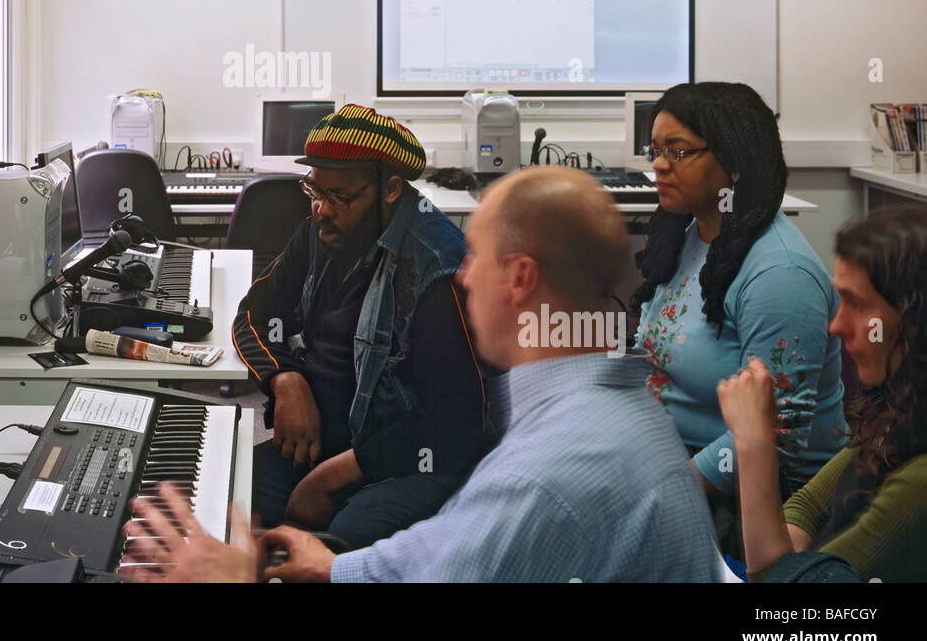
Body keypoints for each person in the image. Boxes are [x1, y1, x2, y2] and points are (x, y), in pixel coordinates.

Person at [125, 167, 724, 582]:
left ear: (518, 279)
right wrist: (337, 569)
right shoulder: (611, 402)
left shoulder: (548, 475)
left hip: (404, 457)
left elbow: (465, 513)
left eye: (477, 258)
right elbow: (450, 546)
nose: (462, 276)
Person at [229, 103, 491, 548]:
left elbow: (457, 423)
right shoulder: (322, 228)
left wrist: (335, 474)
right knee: (218, 493)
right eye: (313, 191)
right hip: (329, 434)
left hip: (410, 457)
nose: (321, 210)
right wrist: (286, 379)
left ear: (390, 189)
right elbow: (255, 313)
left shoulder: (437, 269)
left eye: (339, 197)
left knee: (336, 556)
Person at [630, 82, 846, 539]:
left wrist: (658, 490)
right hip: (676, 459)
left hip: (761, 497)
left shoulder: (780, 276)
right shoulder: (692, 236)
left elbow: (777, 438)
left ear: (736, 162)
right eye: (655, 150)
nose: (658, 165)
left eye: (678, 151)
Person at [720, 203, 927, 582]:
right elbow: (810, 505)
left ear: (915, 322)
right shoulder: (899, 410)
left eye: (857, 304)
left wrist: (753, 444)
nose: (836, 325)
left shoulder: (920, 484)